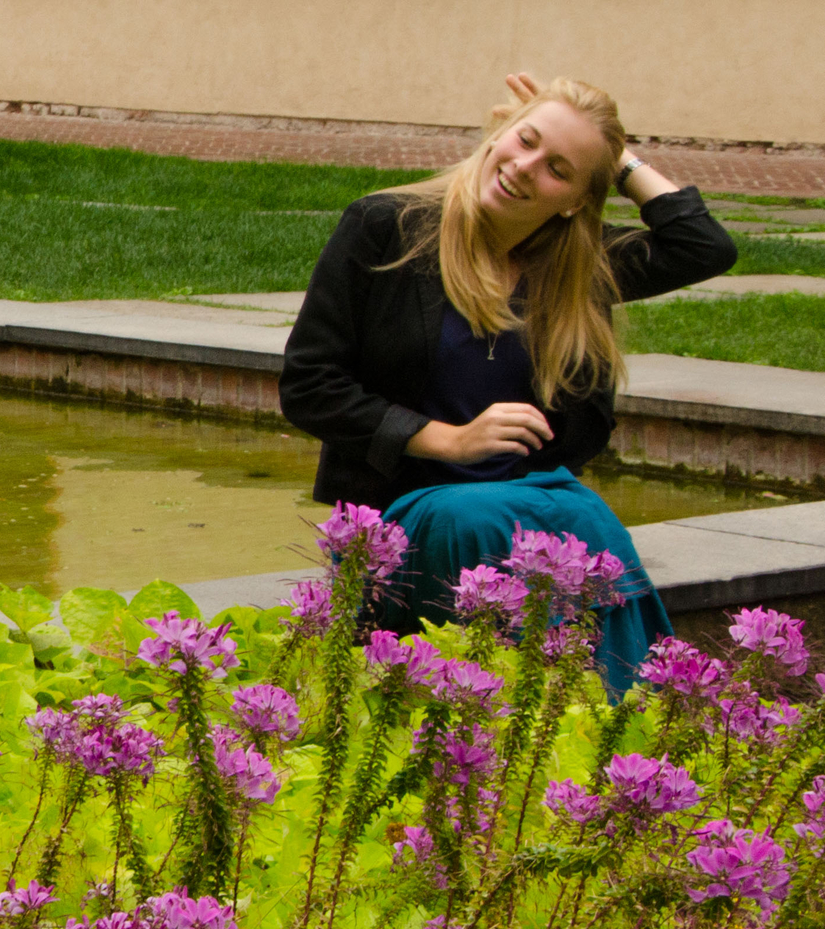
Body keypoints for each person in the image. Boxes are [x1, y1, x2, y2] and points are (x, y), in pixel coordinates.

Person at [278, 73, 736, 693]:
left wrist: (616, 156)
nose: (523, 167)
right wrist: (445, 440)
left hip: (527, 504)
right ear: (498, 132)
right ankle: (541, 711)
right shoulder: (387, 226)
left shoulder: (577, 265)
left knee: (587, 522)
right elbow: (309, 383)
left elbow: (703, 245)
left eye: (558, 168)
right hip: (402, 520)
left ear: (576, 199)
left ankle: (616, 727)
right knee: (475, 520)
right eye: (523, 139)